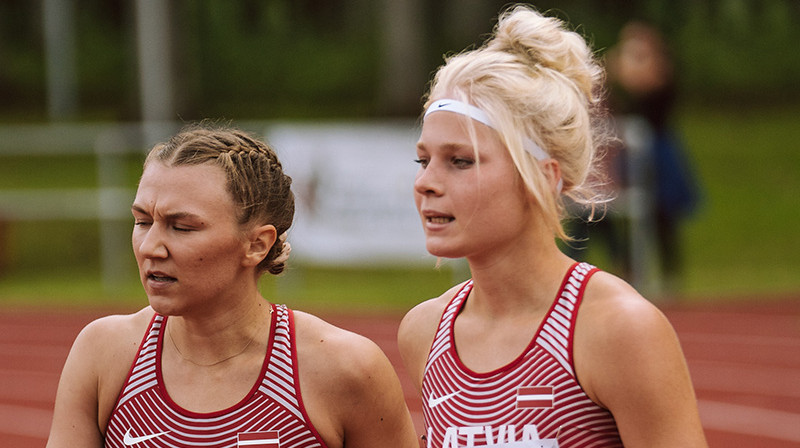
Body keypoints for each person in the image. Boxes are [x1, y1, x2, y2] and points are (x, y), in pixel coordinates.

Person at [398, 5, 707, 448]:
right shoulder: (424, 332)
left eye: (460, 161)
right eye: (423, 160)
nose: (426, 183)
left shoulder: (619, 329)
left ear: (543, 177)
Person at [46, 124, 419, 448]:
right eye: (143, 221)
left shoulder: (346, 369)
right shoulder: (103, 354)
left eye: (182, 227)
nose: (150, 247)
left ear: (257, 244)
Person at [606, 21, 701, 292]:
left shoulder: (661, 74)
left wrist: (627, 67)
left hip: (659, 151)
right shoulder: (625, 77)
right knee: (627, 211)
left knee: (663, 214)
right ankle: (631, 272)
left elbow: (645, 85)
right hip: (633, 150)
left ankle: (670, 275)